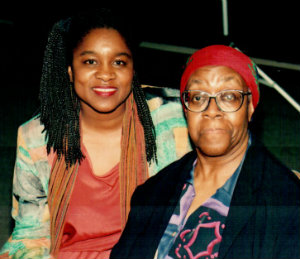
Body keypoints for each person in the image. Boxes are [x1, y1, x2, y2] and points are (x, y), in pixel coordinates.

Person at [0, 8, 192, 259]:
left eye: (119, 62)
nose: (105, 74)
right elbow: (29, 234)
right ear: (70, 72)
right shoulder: (37, 137)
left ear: (133, 71)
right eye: (90, 61)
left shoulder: (172, 121)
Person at [110, 45, 300, 259]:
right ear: (185, 108)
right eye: (198, 97)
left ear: (250, 108)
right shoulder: (153, 192)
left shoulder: (286, 205)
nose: (211, 110)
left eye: (229, 96)